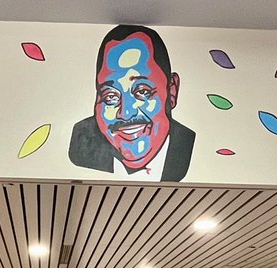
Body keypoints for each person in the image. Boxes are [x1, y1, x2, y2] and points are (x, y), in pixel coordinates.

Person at [68, 24, 195, 182]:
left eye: (142, 92)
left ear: (172, 92)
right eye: (110, 96)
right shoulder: (80, 147)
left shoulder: (198, 152)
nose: (125, 113)